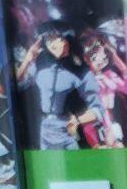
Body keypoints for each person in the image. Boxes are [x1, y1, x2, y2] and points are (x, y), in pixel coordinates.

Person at [15, 21, 104, 150]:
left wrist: (78, 120)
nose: (50, 44)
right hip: (43, 131)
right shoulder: (39, 64)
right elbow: (17, 85)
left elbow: (98, 109)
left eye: (54, 38)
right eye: (47, 40)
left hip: (66, 132)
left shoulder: (81, 71)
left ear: (66, 40)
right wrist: (27, 60)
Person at [78, 28, 127, 148]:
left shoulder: (110, 75)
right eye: (94, 54)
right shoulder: (83, 79)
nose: (100, 57)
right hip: (94, 125)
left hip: (112, 123)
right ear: (85, 58)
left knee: (119, 149)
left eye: (103, 52)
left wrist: (117, 60)